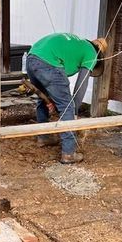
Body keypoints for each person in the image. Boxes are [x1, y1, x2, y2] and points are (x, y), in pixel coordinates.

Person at [27, 33, 107, 164]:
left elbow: (51, 86)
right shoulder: (92, 52)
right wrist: (74, 111)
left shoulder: (78, 43)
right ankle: (69, 153)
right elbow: (82, 84)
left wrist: (52, 100)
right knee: (67, 106)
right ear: (99, 54)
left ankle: (44, 137)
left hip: (32, 57)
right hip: (48, 62)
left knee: (42, 100)